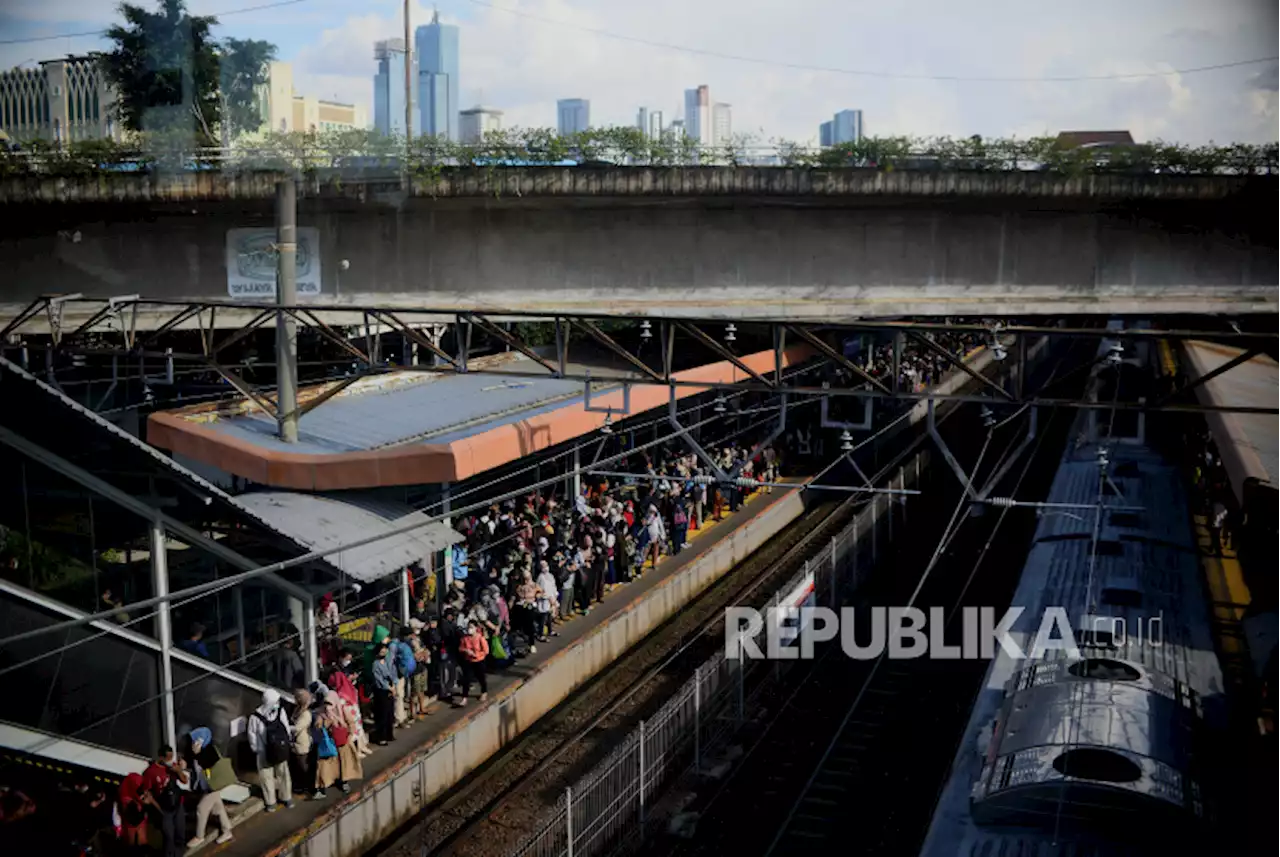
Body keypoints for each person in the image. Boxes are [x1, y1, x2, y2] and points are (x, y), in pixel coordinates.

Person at [183, 728, 233, 846]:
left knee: (201, 809)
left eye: (196, 740)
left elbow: (206, 764)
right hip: (207, 786)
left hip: (213, 786)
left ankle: (199, 836)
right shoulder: (195, 750)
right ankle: (227, 831)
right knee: (218, 808)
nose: (193, 742)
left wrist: (198, 753)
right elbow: (192, 762)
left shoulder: (210, 751)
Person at [248, 689, 294, 812]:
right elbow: (286, 729)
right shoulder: (280, 711)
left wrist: (256, 749)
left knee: (266, 777)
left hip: (263, 751)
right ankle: (286, 798)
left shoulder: (255, 717)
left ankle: (270, 802)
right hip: (280, 749)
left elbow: (252, 735)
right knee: (283, 774)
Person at [142, 746, 189, 857]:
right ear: (161, 757)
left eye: (171, 757)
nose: (170, 760)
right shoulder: (150, 772)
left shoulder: (173, 768)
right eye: (168, 758)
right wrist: (159, 810)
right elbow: (148, 793)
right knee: (169, 837)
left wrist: (179, 771)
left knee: (180, 833)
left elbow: (185, 780)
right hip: (164, 808)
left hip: (177, 805)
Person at [370, 641, 397, 745]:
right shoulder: (375, 664)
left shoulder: (387, 661)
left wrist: (394, 684)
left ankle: (389, 734)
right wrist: (389, 688)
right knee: (382, 714)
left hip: (390, 687)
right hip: (381, 690)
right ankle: (381, 737)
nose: (384, 651)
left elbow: (393, 672)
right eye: (382, 650)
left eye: (385, 650)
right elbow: (378, 680)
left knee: (390, 712)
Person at [291, 689, 317, 799]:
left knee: (303, 766)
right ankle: (303, 786)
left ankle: (307, 787)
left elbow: (297, 728)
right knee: (300, 766)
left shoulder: (304, 714)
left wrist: (286, 728)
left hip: (302, 743)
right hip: (298, 743)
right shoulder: (300, 711)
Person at [457, 622, 489, 706]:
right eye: (468, 627)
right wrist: (466, 650)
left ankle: (484, 691)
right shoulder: (465, 638)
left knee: (481, 677)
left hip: (479, 661)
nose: (469, 629)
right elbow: (460, 648)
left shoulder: (480, 638)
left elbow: (486, 651)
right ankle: (464, 698)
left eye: (471, 627)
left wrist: (477, 655)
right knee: (466, 679)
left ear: (475, 628)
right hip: (469, 661)